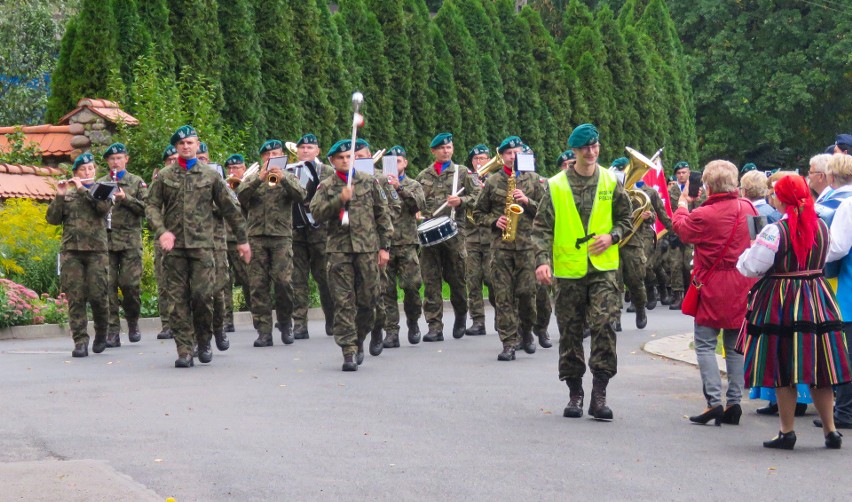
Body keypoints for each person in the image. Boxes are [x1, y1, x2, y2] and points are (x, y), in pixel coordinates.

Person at [737, 175, 851, 449]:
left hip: (783, 299)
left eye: (775, 194)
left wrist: (746, 253)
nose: (772, 198)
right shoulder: (823, 227)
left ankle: (787, 431)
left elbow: (751, 267)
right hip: (817, 296)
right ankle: (830, 430)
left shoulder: (775, 231)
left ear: (783, 199)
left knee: (782, 363)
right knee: (820, 365)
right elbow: (828, 255)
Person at [532, 124, 632, 420]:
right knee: (570, 332)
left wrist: (612, 236)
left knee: (603, 326)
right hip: (568, 270)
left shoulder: (612, 181)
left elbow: (627, 219)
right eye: (585, 148)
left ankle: (599, 393)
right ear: (574, 152)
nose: (592, 152)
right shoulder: (556, 184)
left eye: (595, 146)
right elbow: (541, 228)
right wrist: (542, 260)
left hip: (603, 269)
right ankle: (575, 393)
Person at [146, 125, 250, 368]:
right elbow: (150, 206)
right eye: (181, 144)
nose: (185, 146)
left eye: (190, 143)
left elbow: (230, 210)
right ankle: (184, 349)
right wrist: (161, 231)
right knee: (177, 300)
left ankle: (204, 340)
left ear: (197, 144)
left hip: (203, 246)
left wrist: (243, 240)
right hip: (174, 249)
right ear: (176, 147)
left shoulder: (211, 176)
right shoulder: (164, 176)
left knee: (204, 297)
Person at [671, 160, 757, 426]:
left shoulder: (705, 214)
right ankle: (734, 401)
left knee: (706, 344)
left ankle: (713, 402)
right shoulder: (749, 207)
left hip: (712, 282)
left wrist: (683, 205)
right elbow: (757, 239)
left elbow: (683, 230)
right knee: (734, 346)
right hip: (743, 280)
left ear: (707, 185)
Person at [309, 139, 393, 371]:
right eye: (340, 158)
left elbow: (383, 216)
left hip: (367, 250)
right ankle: (348, 350)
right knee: (343, 302)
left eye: (349, 157)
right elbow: (316, 214)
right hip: (339, 251)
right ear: (332, 161)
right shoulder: (326, 186)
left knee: (369, 300)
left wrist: (385, 247)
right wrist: (339, 200)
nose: (345, 161)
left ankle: (359, 338)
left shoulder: (369, 182)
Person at [474, 136, 546, 361]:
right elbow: (477, 213)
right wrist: (494, 221)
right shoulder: (493, 181)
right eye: (508, 153)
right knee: (503, 297)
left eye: (516, 153)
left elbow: (546, 213)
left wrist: (527, 201)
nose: (512, 157)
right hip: (501, 247)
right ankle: (508, 342)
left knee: (526, 295)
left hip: (527, 247)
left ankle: (527, 331)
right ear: (502, 156)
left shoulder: (533, 179)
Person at [237, 139, 306, 347]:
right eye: (267, 155)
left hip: (281, 238)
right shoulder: (252, 178)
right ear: (262, 158)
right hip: (256, 237)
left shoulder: (290, 177)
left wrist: (283, 179)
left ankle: (285, 323)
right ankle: (264, 331)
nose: (271, 158)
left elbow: (301, 196)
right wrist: (258, 179)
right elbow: (239, 197)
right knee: (258, 286)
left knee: (283, 282)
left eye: (275, 154)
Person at [46, 153, 111, 357]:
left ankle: (102, 332)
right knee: (75, 298)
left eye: (91, 169)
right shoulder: (68, 195)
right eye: (83, 170)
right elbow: (52, 219)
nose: (87, 172)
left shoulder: (103, 191)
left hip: (96, 252)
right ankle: (80, 341)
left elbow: (102, 209)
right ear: (75, 173)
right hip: (71, 252)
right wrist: (59, 195)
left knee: (98, 296)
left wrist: (84, 190)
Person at [416, 133, 479, 341]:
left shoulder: (462, 173)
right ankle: (435, 326)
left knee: (457, 279)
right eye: (442, 148)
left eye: (449, 147)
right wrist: (416, 212)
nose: (446, 151)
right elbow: (417, 201)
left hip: (454, 234)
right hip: (429, 236)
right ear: (433, 151)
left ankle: (461, 313)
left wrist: (461, 200)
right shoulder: (423, 176)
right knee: (431, 280)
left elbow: (478, 197)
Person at [97, 143, 147, 348]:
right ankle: (113, 331)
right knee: (107, 287)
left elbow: (146, 208)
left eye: (119, 158)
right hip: (106, 242)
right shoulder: (101, 183)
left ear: (126, 159)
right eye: (111, 159)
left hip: (129, 243)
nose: (115, 162)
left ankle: (133, 321)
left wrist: (126, 198)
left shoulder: (136, 182)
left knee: (130, 285)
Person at [815, 153, 852, 431]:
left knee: (848, 351)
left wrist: (814, 254)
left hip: (849, 285)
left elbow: (838, 246)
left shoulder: (847, 206)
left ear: (831, 177)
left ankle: (845, 412)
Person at [289, 133, 335, 339]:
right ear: (297, 151)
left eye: (310, 147)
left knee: (324, 278)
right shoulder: (289, 171)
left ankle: (332, 319)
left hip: (321, 232)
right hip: (296, 231)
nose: (306, 151)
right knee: (297, 279)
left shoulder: (327, 171)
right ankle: (299, 324)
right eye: (302, 148)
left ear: (318, 151)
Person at [382, 145, 426, 347]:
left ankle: (413, 320)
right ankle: (391, 331)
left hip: (407, 242)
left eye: (398, 161)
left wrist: (399, 187)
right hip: (385, 244)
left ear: (405, 163)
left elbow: (418, 206)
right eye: (390, 162)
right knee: (386, 290)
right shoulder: (378, 184)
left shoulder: (413, 184)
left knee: (411, 286)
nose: (395, 165)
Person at [609, 156, 648, 331]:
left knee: (635, 281)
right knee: (614, 282)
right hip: (615, 243)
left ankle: (640, 308)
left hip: (633, 244)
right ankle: (615, 318)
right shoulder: (610, 193)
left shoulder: (640, 196)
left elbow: (652, 215)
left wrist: (648, 217)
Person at [463, 144, 492, 337]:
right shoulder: (467, 179)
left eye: (482, 158)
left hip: (491, 236)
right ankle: (478, 321)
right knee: (473, 280)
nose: (479, 162)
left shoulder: (496, 180)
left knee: (494, 279)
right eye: (476, 159)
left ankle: (502, 316)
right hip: (472, 236)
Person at [667, 161, 703, 309]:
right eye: (679, 173)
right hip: (676, 231)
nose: (681, 175)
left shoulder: (699, 191)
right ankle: (677, 295)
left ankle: (691, 293)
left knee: (689, 262)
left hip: (691, 231)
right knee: (675, 263)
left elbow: (701, 210)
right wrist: (670, 231)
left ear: (689, 173)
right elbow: (667, 212)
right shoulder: (671, 192)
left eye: (684, 172)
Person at [223, 154, 251, 331]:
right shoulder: (223, 187)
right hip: (223, 238)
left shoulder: (249, 185)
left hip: (242, 239)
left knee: (249, 279)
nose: (233, 172)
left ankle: (257, 313)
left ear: (245, 168)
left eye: (237, 168)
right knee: (224, 282)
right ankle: (226, 320)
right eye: (230, 169)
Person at [153, 145, 177, 340]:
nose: (173, 163)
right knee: (163, 283)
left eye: (175, 159)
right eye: (169, 161)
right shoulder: (160, 181)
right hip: (162, 238)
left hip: (185, 238)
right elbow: (150, 208)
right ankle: (167, 324)